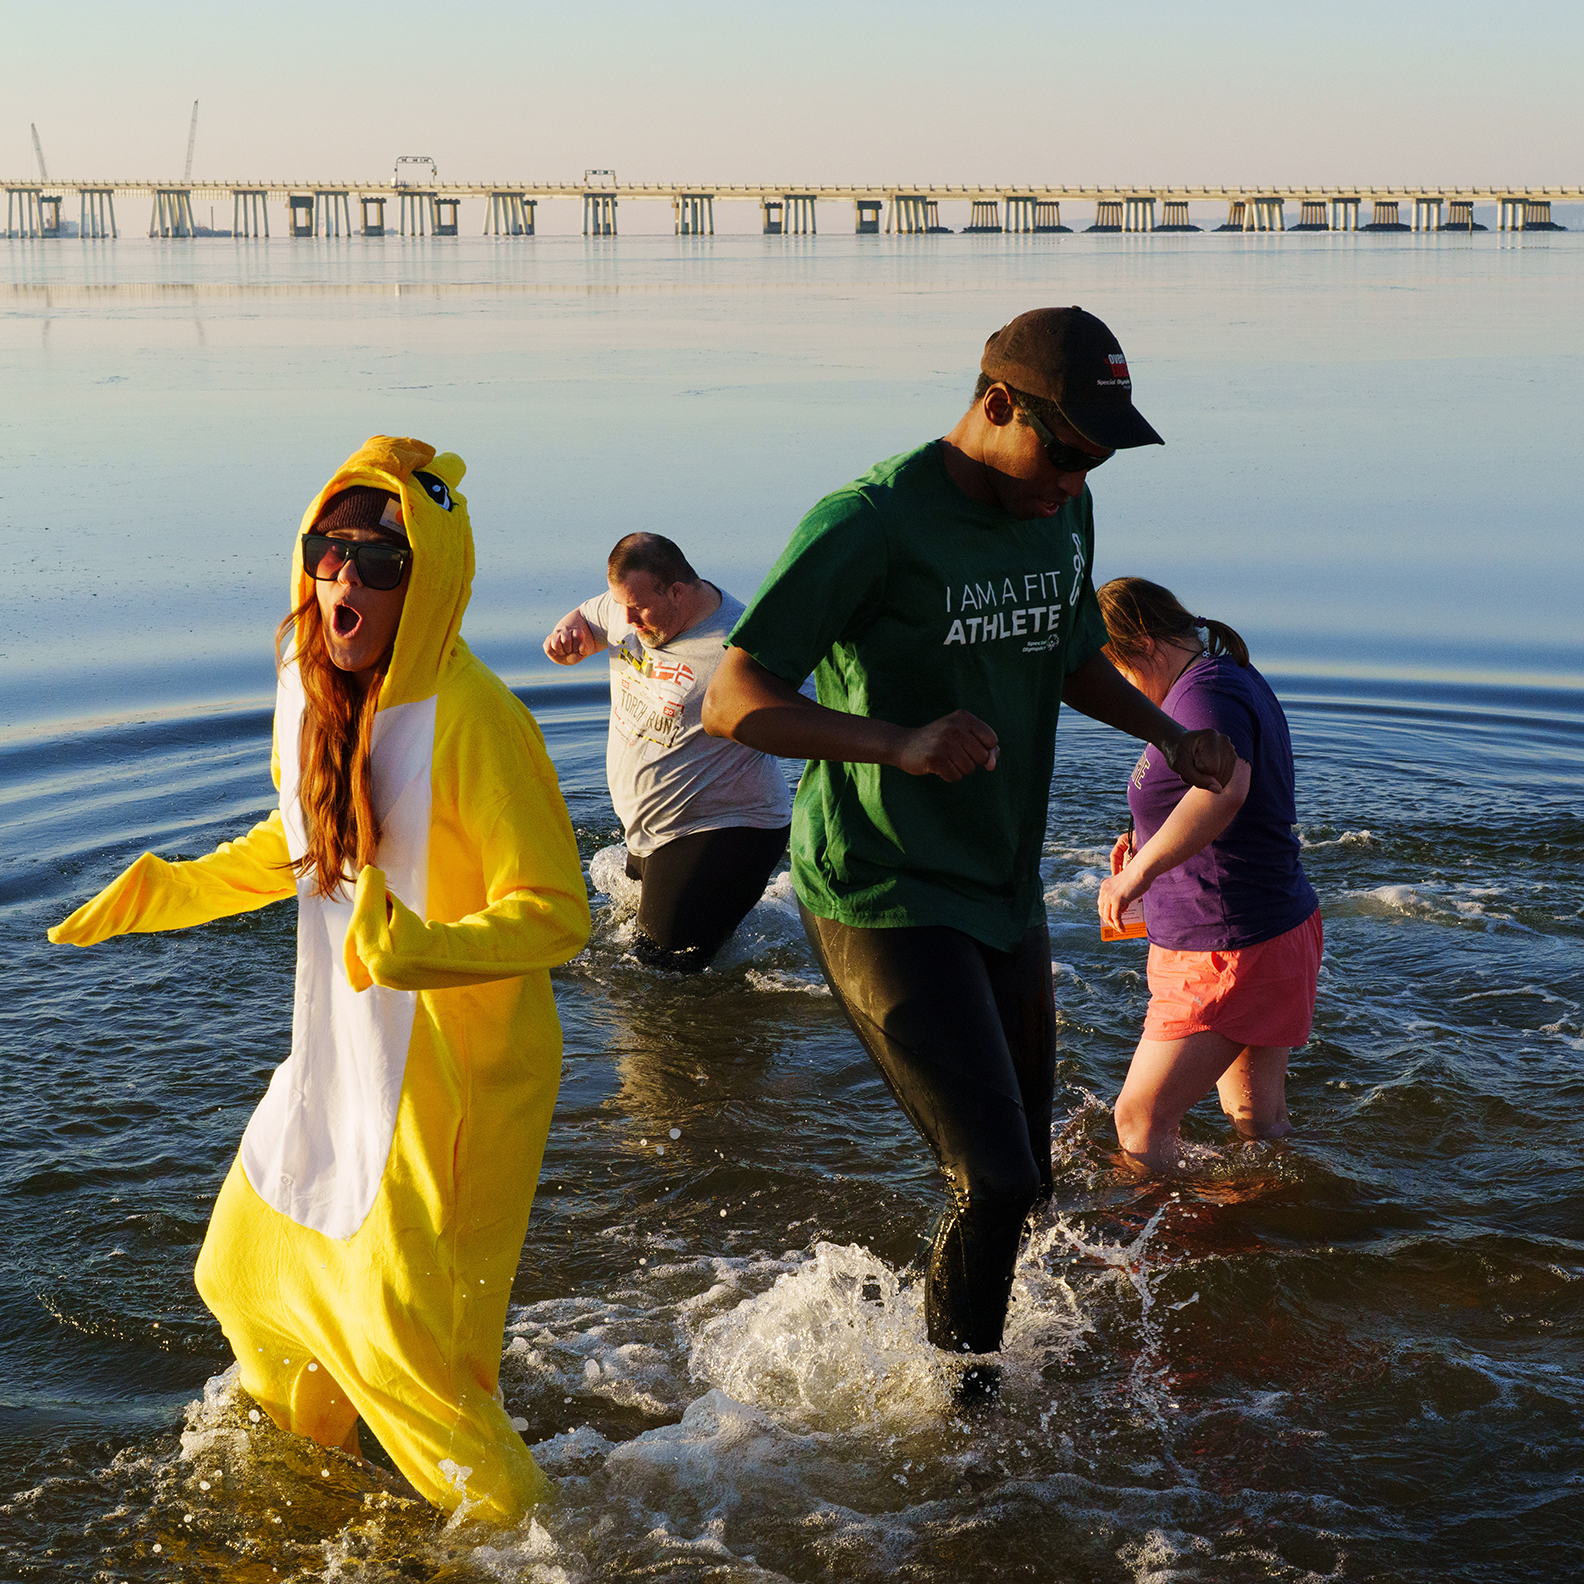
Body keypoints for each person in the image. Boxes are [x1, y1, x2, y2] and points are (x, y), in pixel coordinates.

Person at [49, 436, 591, 1524]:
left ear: (427, 581)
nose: (346, 580)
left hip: (451, 1083)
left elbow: (558, 915)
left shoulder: (480, 722)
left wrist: (421, 950)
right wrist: (172, 889)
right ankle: (312, 1472)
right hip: (340, 1050)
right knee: (241, 1265)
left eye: (380, 565)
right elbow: (306, 842)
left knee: (406, 1353)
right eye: (329, 553)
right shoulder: (310, 683)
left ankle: (533, 1538)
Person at [702, 307, 1237, 1375]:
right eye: (1066, 449)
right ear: (997, 406)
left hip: (998, 886)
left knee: (1023, 1180)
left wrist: (1170, 735)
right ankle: (958, 1418)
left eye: (1098, 461)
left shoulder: (1057, 515)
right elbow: (730, 697)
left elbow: (1071, 651)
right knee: (991, 1181)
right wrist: (897, 742)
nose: (1076, 479)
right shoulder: (869, 522)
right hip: (880, 889)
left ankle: (975, 1353)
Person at [1095, 578, 1322, 1176]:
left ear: (1143, 643)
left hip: (1227, 950)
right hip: (1268, 929)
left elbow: (1224, 789)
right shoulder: (1223, 678)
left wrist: (1137, 873)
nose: (1115, 690)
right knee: (1258, 1120)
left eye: (1114, 669)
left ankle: (1150, 1260)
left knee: (1139, 1120)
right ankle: (1273, 1236)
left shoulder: (1204, 695)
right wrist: (1146, 843)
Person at [543, 532, 791, 972]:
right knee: (649, 950)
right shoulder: (628, 610)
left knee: (656, 978)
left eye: (638, 609)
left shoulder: (741, 644)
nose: (628, 621)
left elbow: (811, 709)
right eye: (622, 607)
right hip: (654, 826)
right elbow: (588, 616)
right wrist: (570, 631)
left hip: (725, 828)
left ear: (676, 590)